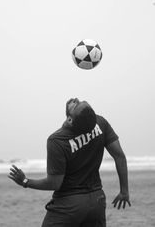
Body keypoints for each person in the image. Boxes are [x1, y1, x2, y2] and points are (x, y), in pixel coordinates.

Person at [8, 97, 131, 227]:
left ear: (70, 120)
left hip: (68, 205)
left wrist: (25, 181)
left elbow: (54, 183)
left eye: (78, 104)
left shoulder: (57, 140)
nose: (77, 99)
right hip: (97, 201)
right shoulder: (100, 123)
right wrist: (124, 191)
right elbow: (119, 156)